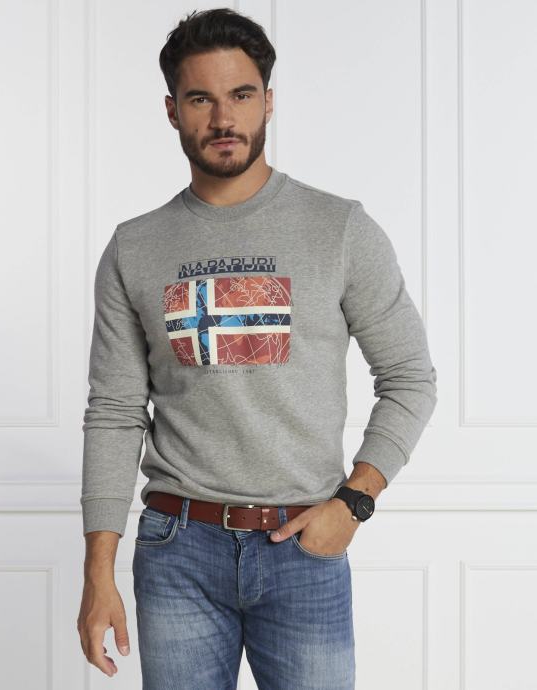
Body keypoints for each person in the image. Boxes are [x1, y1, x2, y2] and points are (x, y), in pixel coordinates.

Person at [76, 8, 437, 690]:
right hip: (177, 550)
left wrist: (354, 502)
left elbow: (409, 377)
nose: (223, 118)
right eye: (200, 99)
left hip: (303, 546)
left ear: (268, 101)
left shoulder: (339, 229)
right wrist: (98, 572)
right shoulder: (134, 247)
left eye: (240, 95)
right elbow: (115, 412)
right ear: (171, 111)